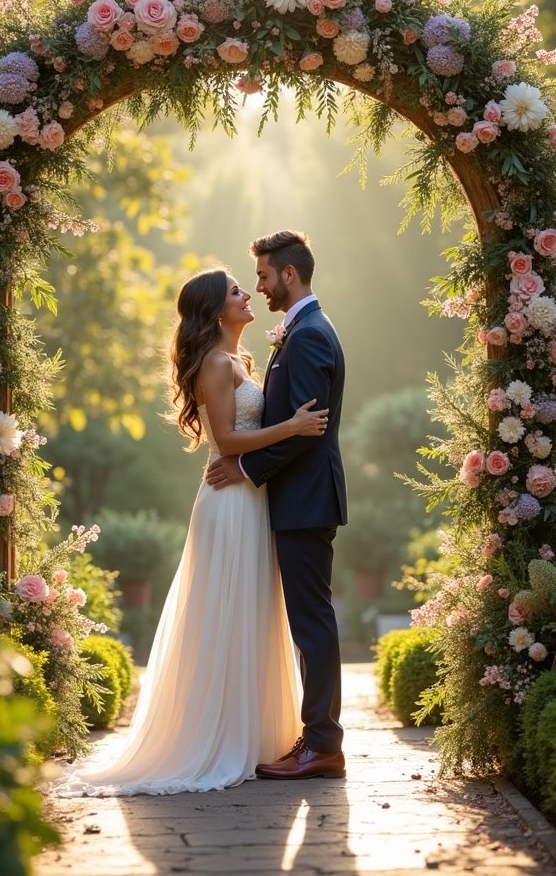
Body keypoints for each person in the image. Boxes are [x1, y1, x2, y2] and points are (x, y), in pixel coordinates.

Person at [54, 267, 329, 797]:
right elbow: (226, 440)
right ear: (214, 310)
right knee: (224, 611)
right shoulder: (214, 364)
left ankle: (253, 736)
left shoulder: (240, 362)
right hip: (229, 502)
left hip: (250, 497)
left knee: (251, 610)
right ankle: (217, 740)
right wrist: (292, 427)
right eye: (234, 291)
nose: (247, 294)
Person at [206, 230, 348, 780]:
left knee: (311, 622)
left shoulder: (309, 335)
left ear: (289, 274)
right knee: (308, 620)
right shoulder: (303, 330)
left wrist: (244, 469)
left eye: (263, 277)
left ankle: (322, 745)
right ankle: (316, 741)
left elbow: (305, 430)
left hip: (305, 499)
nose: (260, 287)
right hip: (297, 499)